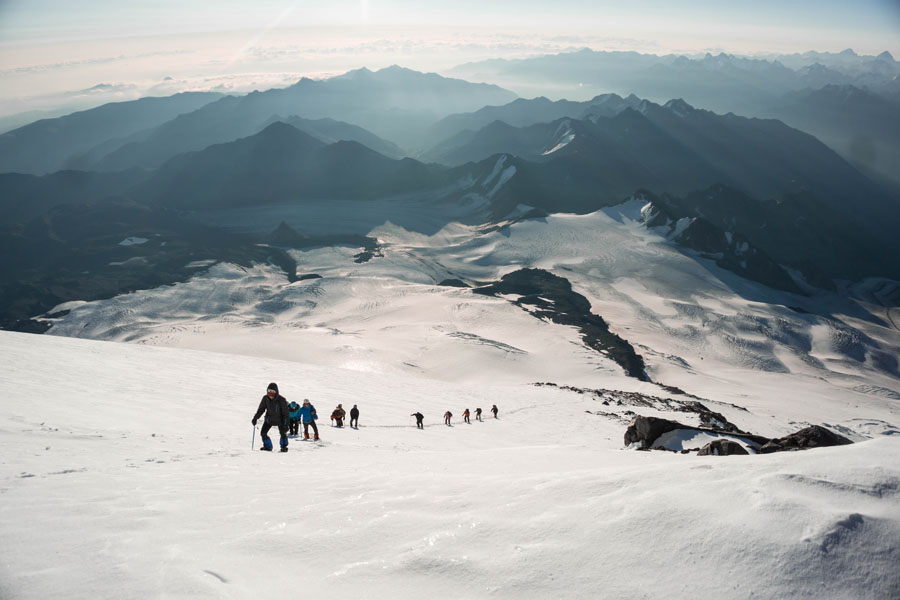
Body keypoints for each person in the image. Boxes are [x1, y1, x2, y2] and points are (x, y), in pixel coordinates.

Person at [251, 383, 290, 452]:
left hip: (280, 420)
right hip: (269, 419)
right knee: (263, 433)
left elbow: (286, 414)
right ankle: (267, 446)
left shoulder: (281, 400)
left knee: (283, 433)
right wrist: (255, 418)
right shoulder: (265, 398)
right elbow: (261, 409)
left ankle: (284, 447)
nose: (270, 395)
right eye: (269, 392)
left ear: (276, 392)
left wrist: (286, 424)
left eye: (272, 393)